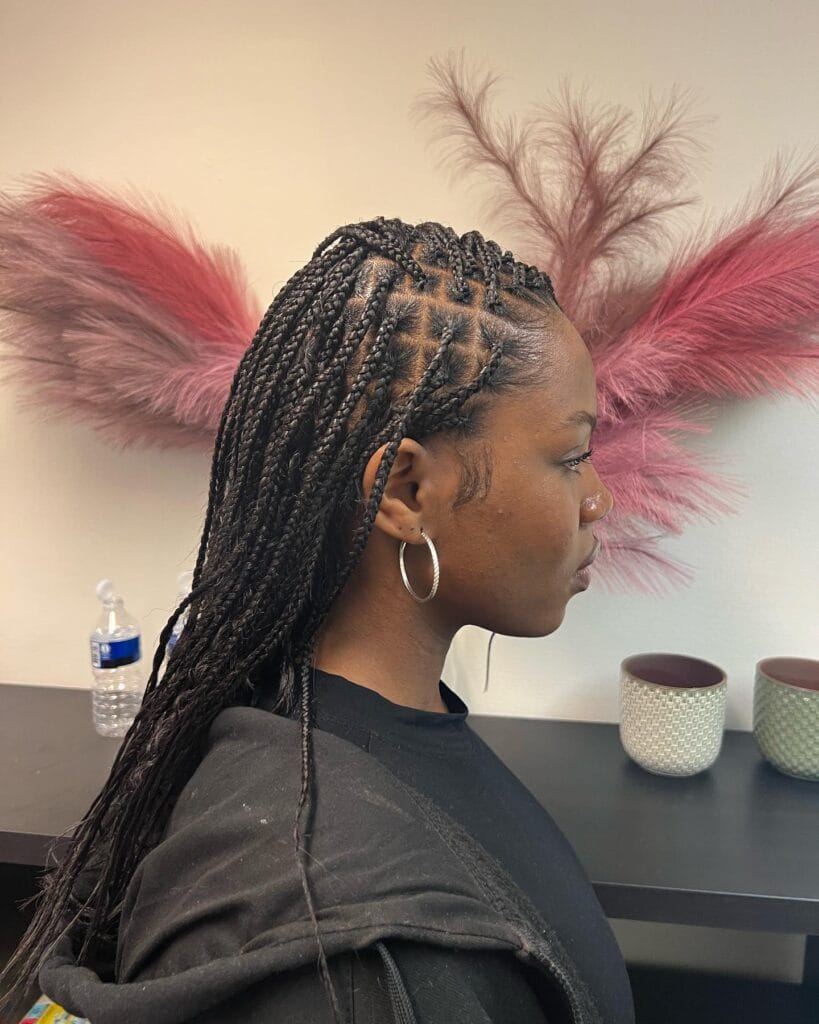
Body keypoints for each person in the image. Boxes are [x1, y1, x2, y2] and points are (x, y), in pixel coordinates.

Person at [0, 217, 630, 1023]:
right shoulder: (350, 962)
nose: (597, 499)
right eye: (571, 457)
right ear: (404, 492)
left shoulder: (343, 714)